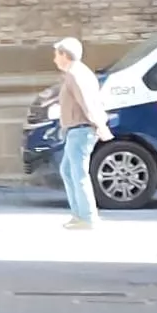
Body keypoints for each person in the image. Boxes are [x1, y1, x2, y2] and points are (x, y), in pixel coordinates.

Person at [52, 36, 111, 228]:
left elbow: (86, 102)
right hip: (78, 129)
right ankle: (79, 215)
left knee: (78, 173)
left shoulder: (75, 75)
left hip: (81, 129)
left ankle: (86, 217)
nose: (55, 59)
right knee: (68, 171)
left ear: (64, 55)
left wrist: (99, 125)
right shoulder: (80, 72)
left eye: (56, 55)